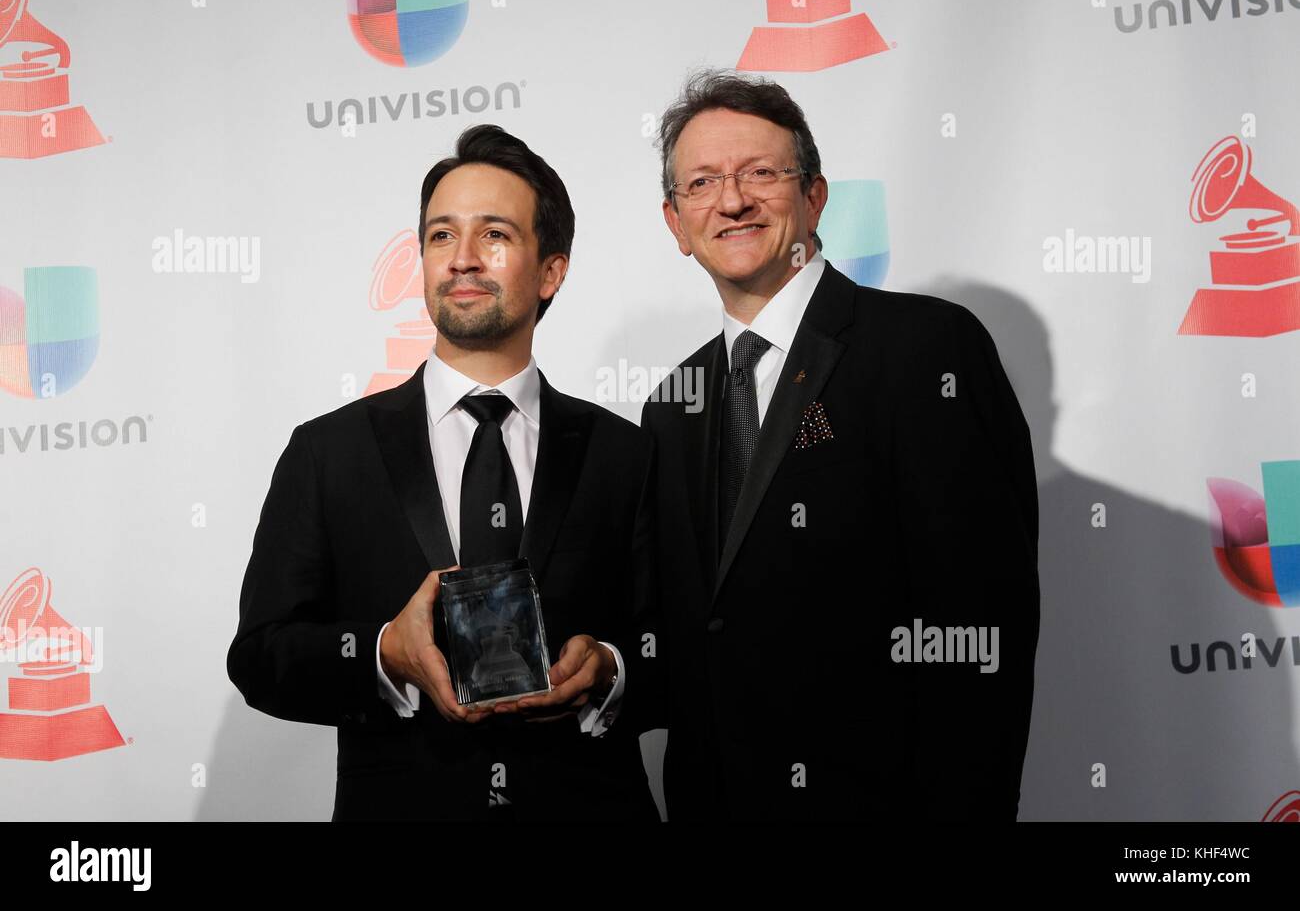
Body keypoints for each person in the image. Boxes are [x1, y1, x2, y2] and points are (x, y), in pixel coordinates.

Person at [228, 124, 660, 821]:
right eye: (439, 236)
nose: (461, 259)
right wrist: (381, 653)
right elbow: (261, 656)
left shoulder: (625, 454)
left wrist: (612, 669)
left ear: (551, 270)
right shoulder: (327, 453)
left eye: (494, 235)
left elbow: (684, 649)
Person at [641, 69, 1040, 820]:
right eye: (702, 183)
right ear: (675, 222)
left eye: (761, 172)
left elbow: (980, 626)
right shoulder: (671, 405)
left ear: (815, 195)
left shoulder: (926, 348)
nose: (731, 200)